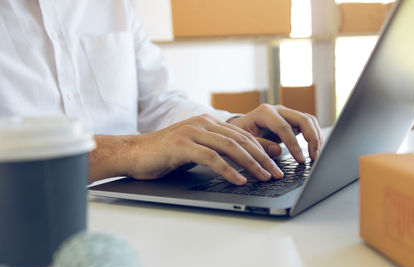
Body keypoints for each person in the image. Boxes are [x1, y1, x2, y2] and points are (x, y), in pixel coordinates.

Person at [0, 0, 322, 185]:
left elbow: (160, 101)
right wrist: (130, 151)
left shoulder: (112, 5)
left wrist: (231, 130)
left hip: (137, 218)